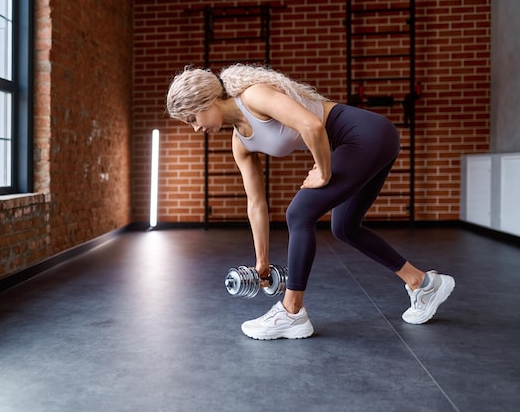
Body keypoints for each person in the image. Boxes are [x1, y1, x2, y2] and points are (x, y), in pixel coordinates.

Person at [166, 64, 455, 340]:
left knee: (299, 213)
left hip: (365, 134)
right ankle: (422, 283)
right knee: (345, 227)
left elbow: (312, 125)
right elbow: (256, 204)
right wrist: (262, 261)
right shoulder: (241, 143)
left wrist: (324, 172)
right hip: (364, 142)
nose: (195, 129)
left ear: (206, 101)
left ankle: (292, 311)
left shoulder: (252, 96)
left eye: (192, 119)